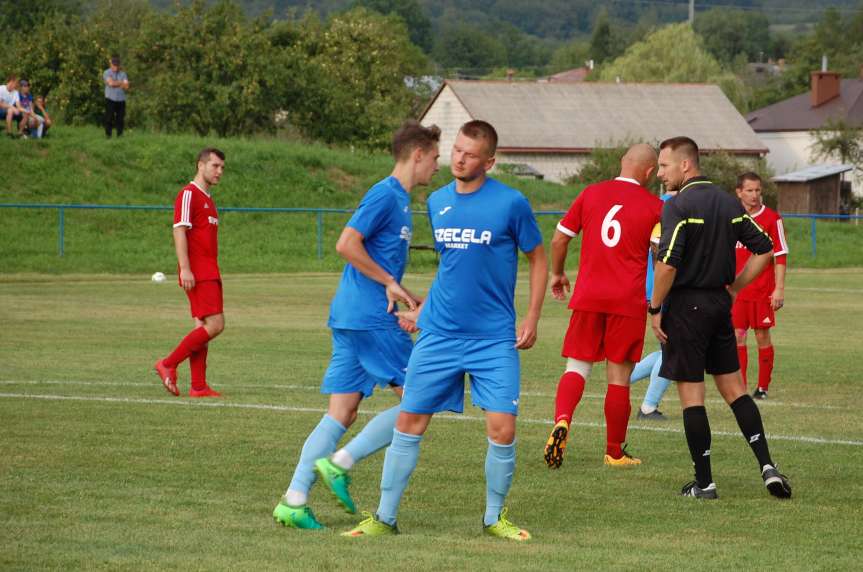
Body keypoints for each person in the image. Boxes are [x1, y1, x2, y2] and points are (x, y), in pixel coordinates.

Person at [343, 120, 547, 540]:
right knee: (410, 422)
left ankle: (494, 519)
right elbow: (452, 269)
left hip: (493, 339)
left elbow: (539, 259)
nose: (458, 159)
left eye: (470, 154)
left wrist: (531, 317)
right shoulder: (436, 202)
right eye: (456, 151)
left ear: (489, 161)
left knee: (502, 428)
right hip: (440, 336)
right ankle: (383, 518)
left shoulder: (512, 203)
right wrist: (424, 311)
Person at [272, 121, 441, 530]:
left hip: (353, 315)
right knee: (422, 397)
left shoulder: (399, 200)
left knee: (342, 412)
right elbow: (346, 244)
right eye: (435, 158)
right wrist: (388, 283)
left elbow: (378, 263)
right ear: (417, 154)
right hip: (369, 318)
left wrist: (406, 294)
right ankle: (340, 462)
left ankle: (293, 500)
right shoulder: (385, 194)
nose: (438, 166)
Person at [650, 136, 791, 500]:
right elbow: (766, 249)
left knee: (692, 397)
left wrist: (654, 309)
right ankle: (767, 465)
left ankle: (705, 483)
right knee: (735, 391)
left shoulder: (678, 205)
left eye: (664, 166)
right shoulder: (729, 202)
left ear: (685, 165)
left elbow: (667, 264)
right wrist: (734, 288)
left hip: (686, 307)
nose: (660, 174)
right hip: (719, 306)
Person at [544, 144, 662, 469]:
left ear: (623, 162)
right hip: (627, 300)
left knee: (577, 367)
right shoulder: (655, 207)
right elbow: (660, 255)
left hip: (588, 296)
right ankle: (614, 451)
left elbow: (558, 239)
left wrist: (557, 274)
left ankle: (563, 419)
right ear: (650, 172)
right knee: (619, 378)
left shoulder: (591, 193)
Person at [154, 148, 226, 398]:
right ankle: (168, 363)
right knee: (216, 324)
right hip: (198, 270)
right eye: (215, 166)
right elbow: (179, 230)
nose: (219, 171)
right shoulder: (188, 194)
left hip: (209, 269)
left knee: (202, 326)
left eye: (222, 167)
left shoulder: (208, 198)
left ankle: (198, 386)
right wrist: (185, 268)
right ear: (200, 165)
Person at [732, 172, 788, 400]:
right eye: (749, 190)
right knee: (737, 336)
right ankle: (741, 388)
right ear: (739, 192)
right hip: (736, 291)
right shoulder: (731, 217)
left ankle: (763, 387)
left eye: (757, 190)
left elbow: (781, 254)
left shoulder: (772, 219)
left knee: (762, 336)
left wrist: (779, 288)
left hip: (762, 290)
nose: (754, 195)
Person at [629, 188, 679, 422]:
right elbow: (659, 249)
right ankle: (648, 407)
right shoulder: (673, 205)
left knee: (666, 348)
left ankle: (621, 380)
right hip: (665, 287)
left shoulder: (655, 203)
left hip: (653, 285)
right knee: (673, 349)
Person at [103, 55, 129, 137]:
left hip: (121, 100)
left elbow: (127, 86)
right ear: (111, 64)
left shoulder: (123, 74)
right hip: (110, 99)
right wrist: (121, 83)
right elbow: (110, 83)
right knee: (109, 118)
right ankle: (108, 135)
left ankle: (120, 135)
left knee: (120, 119)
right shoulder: (106, 72)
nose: (116, 67)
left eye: (117, 65)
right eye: (114, 65)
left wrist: (117, 83)